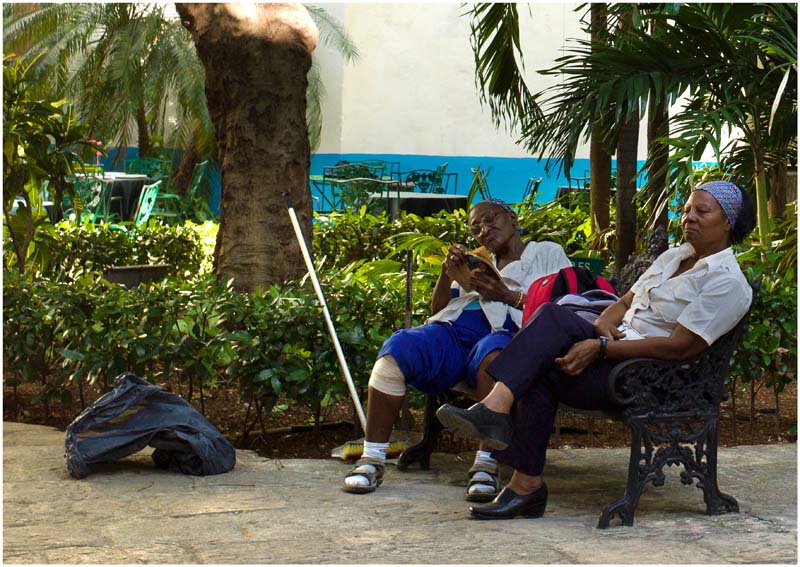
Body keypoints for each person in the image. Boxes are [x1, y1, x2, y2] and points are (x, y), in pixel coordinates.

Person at [436, 180, 757, 519]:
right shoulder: (674, 257)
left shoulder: (726, 281)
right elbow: (626, 301)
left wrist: (602, 348)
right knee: (547, 332)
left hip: (648, 376)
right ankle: (522, 477)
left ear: (728, 222)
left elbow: (680, 347)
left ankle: (502, 429)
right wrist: (603, 324)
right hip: (615, 349)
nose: (689, 217)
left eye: (702, 212)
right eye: (688, 209)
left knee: (544, 351)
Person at [342, 198, 572, 497]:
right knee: (397, 348)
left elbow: (566, 305)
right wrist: (446, 274)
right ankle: (372, 458)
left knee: (495, 358)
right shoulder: (477, 261)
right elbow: (438, 309)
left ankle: (486, 465)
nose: (484, 230)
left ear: (513, 218)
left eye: (490, 219)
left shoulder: (546, 253)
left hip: (506, 333)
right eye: (476, 228)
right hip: (454, 331)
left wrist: (506, 295)